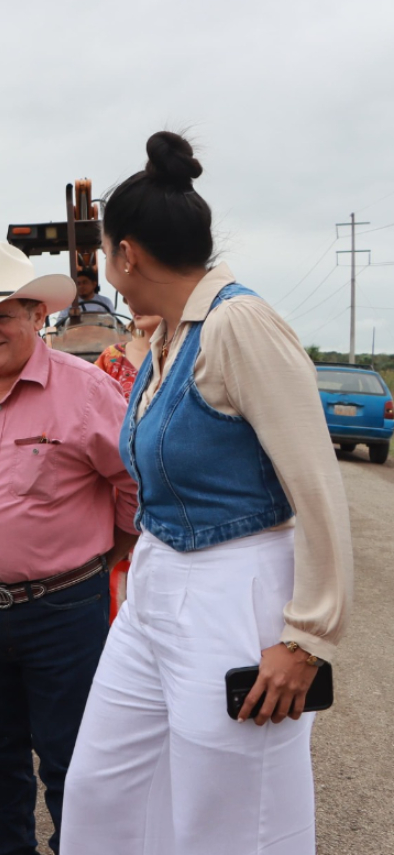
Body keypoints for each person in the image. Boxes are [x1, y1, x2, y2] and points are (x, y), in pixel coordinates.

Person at [60, 132, 353, 855]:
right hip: (159, 587)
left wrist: (305, 638)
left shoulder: (238, 325)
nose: (103, 267)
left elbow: (315, 485)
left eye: (102, 251)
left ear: (124, 252)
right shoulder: (167, 335)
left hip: (234, 588)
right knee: (104, 787)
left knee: (231, 816)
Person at [0, 241, 138, 855]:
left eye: (2, 315)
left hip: (63, 610)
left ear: (36, 316)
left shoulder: (86, 389)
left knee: (72, 759)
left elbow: (131, 484)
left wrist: (103, 553)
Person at [92, 310, 161, 621]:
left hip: (171, 491)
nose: (139, 305)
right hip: (123, 490)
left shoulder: (197, 356)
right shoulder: (111, 359)